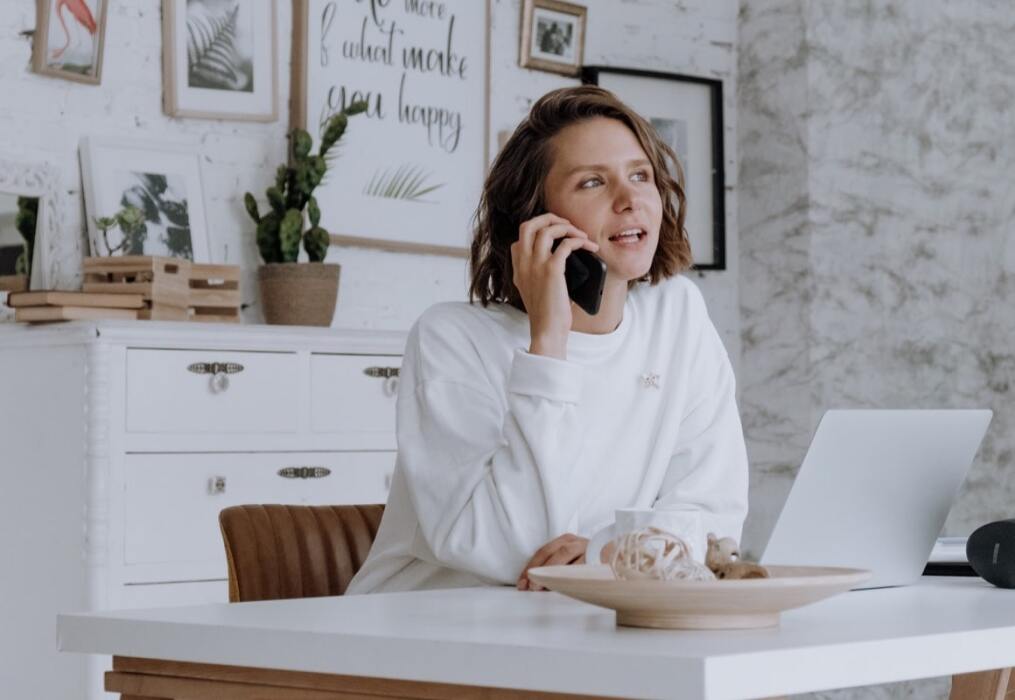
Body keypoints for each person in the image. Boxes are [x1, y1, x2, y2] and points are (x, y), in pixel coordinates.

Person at [346, 85, 748, 594]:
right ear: (535, 219)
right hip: (427, 629)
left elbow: (714, 517)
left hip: (584, 619)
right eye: (593, 182)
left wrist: (606, 553)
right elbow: (513, 548)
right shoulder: (450, 339)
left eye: (640, 175)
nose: (629, 200)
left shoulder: (679, 315)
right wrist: (549, 342)